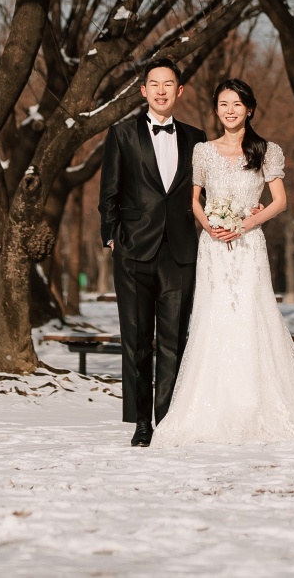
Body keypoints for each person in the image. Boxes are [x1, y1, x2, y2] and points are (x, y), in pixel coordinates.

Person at [153, 78, 294, 445]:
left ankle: (257, 403)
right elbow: (194, 199)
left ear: (249, 108)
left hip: (249, 246)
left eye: (236, 104)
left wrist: (245, 223)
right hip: (214, 248)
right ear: (216, 109)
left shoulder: (267, 151)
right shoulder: (202, 151)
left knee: (252, 316)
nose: (229, 110)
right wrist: (212, 227)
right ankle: (209, 408)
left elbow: (280, 200)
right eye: (222, 104)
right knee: (212, 318)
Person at [98, 56, 204, 447]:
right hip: (133, 252)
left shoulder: (197, 139)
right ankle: (143, 423)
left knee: (175, 341)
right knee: (137, 341)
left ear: (180, 91)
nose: (161, 90)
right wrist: (111, 237)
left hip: (180, 252)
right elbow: (108, 191)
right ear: (143, 91)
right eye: (153, 84)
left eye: (168, 84)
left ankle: (169, 421)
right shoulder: (122, 134)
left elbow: (206, 194)